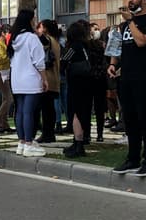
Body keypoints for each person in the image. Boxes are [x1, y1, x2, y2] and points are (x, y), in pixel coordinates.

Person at [109, 0, 146, 176]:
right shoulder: (123, 25)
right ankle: (132, 158)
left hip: (144, 76)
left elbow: (141, 41)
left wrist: (131, 21)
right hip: (126, 77)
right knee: (129, 119)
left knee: (144, 118)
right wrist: (113, 64)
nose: (130, 0)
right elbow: (118, 47)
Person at [9, 9, 47, 157]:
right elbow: (39, 61)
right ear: (29, 20)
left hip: (17, 79)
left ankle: (22, 142)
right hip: (31, 78)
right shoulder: (31, 38)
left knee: (20, 111)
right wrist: (44, 79)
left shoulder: (13, 38)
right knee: (28, 112)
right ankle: (29, 143)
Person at [60, 19, 99, 158]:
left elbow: (63, 62)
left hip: (76, 83)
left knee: (75, 114)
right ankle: (79, 141)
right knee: (84, 113)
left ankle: (78, 143)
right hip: (88, 82)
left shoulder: (73, 47)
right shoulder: (86, 46)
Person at [36, 19, 62, 144]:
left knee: (46, 109)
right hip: (54, 78)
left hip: (47, 77)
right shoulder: (56, 41)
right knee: (49, 108)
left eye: (40, 27)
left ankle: (47, 133)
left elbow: (43, 41)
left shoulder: (48, 40)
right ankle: (49, 133)